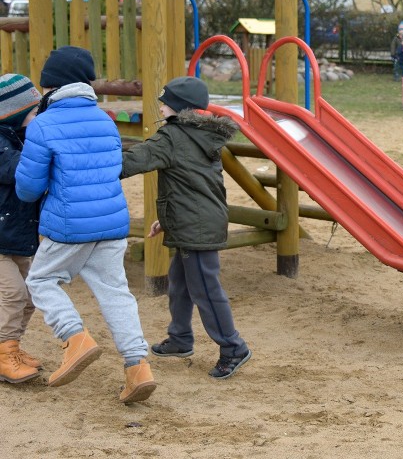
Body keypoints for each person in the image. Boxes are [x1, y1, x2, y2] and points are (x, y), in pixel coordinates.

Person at [15, 46, 155, 403]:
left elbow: (28, 189)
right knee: (116, 293)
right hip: (111, 223)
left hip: (69, 224)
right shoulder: (105, 120)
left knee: (42, 279)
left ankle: (74, 338)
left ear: (51, 86)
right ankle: (138, 367)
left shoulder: (45, 124)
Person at [121, 76, 252, 380]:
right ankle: (180, 338)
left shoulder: (172, 138)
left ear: (179, 109)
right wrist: (167, 219)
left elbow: (131, 161)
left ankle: (234, 347)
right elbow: (190, 184)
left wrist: (89, 166)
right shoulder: (199, 134)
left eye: (165, 102)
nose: (161, 106)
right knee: (179, 283)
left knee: (205, 289)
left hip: (197, 227)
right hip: (196, 219)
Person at [0, 74, 43, 383]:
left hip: (20, 234)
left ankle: (10, 345)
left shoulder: (19, 138)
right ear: (14, 113)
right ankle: (4, 354)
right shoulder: (4, 145)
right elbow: (22, 171)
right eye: (32, 111)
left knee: (30, 294)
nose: (37, 117)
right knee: (13, 293)